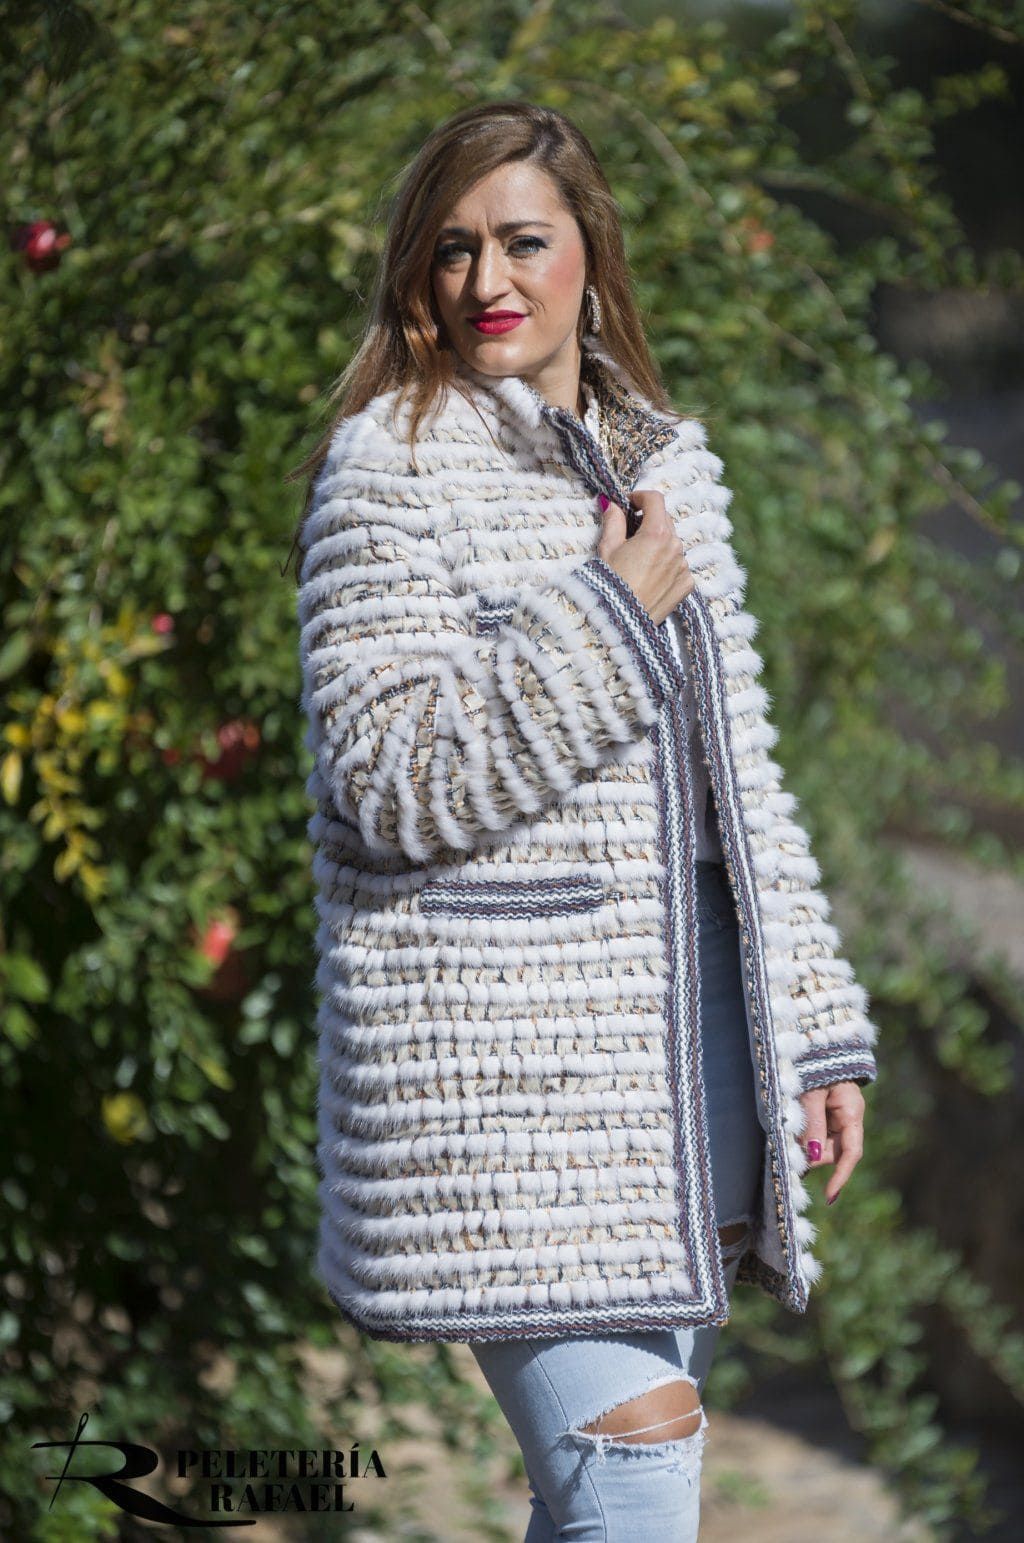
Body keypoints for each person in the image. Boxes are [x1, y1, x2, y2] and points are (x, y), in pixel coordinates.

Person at [289, 100, 878, 1542]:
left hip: (687, 1065)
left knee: (609, 1494)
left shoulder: (666, 467)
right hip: (514, 1074)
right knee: (634, 1479)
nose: (488, 281)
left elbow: (743, 789)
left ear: (590, 260)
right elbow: (385, 775)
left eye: (522, 243)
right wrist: (607, 622)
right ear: (417, 279)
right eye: (452, 250)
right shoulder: (390, 468)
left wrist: (814, 1023)